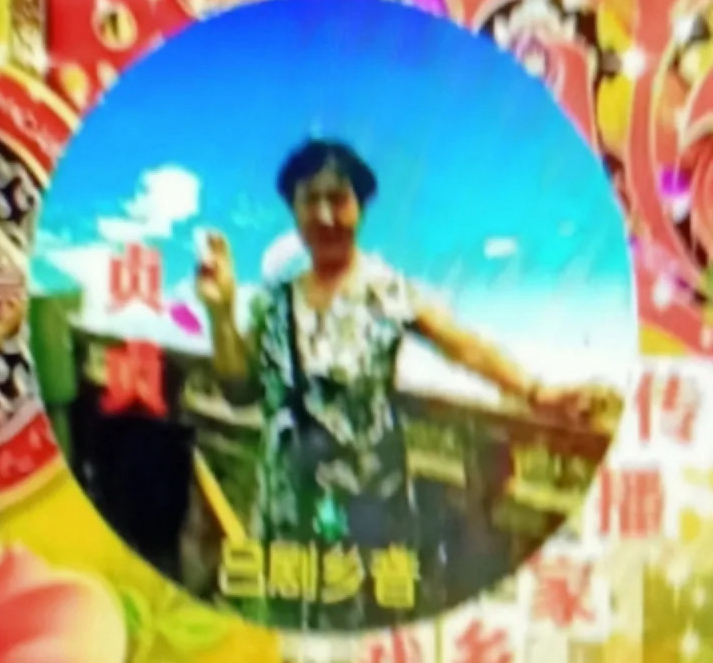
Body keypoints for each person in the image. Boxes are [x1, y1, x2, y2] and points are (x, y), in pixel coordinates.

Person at [195, 138, 619, 625]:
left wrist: (536, 392)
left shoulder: (385, 291)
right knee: (290, 627)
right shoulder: (272, 304)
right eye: (310, 199)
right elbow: (238, 389)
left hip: (368, 511)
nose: (326, 215)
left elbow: (463, 345)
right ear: (293, 209)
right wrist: (220, 311)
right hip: (286, 510)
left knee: (366, 627)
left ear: (360, 207)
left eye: (339, 198)